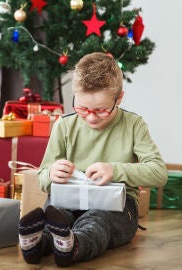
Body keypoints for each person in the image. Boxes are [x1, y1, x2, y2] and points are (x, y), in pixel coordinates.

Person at [18, 52, 168, 267]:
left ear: (119, 98)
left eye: (101, 110)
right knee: (56, 213)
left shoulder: (134, 125)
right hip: (69, 199)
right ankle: (40, 243)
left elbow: (159, 173)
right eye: (82, 108)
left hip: (117, 208)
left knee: (97, 221)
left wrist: (115, 171)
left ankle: (74, 246)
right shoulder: (64, 125)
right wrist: (51, 173)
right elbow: (43, 176)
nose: (90, 117)